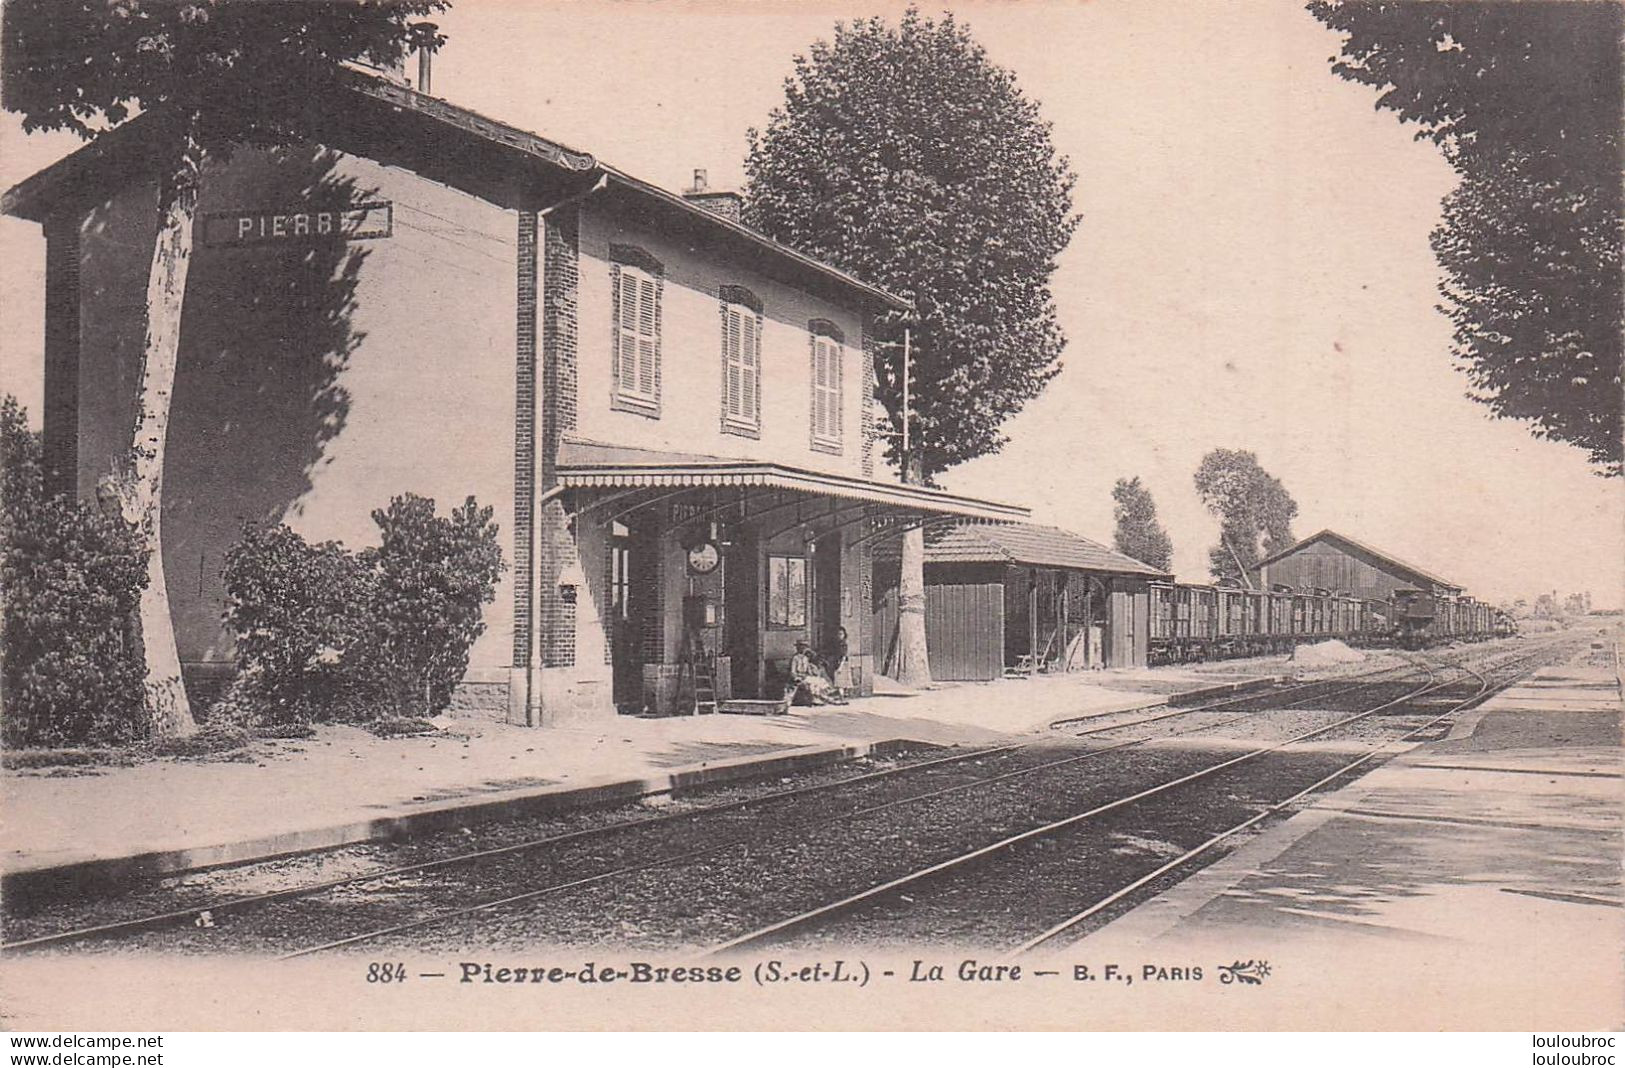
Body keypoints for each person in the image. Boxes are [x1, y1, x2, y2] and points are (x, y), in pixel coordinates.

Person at [787, 639, 842, 706]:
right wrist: (797, 678)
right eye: (801, 647)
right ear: (797, 648)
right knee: (811, 683)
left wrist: (812, 673)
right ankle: (816, 699)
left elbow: (808, 670)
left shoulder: (805, 658)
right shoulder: (795, 658)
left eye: (804, 647)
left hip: (805, 676)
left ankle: (826, 697)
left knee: (820, 680)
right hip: (798, 678)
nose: (803, 649)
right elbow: (792, 672)